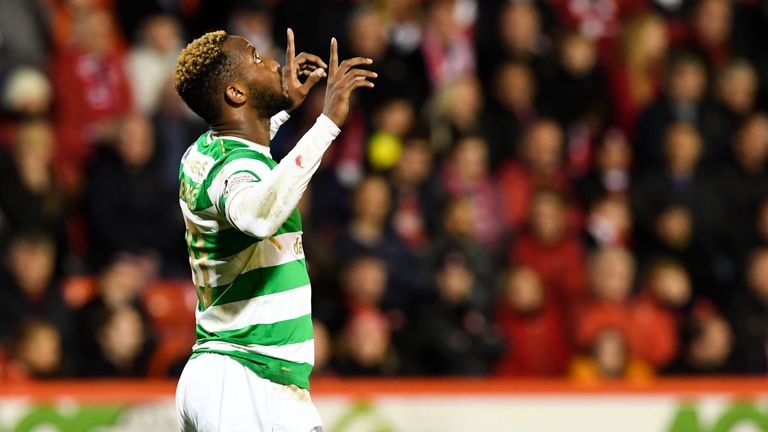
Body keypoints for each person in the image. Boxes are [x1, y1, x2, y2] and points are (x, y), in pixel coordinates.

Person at [172, 28, 376, 432]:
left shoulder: (204, 152)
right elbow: (257, 214)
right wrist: (326, 124)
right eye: (254, 57)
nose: (271, 61)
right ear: (235, 94)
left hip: (236, 378)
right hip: (246, 380)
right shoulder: (235, 169)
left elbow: (250, 147)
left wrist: (282, 109)